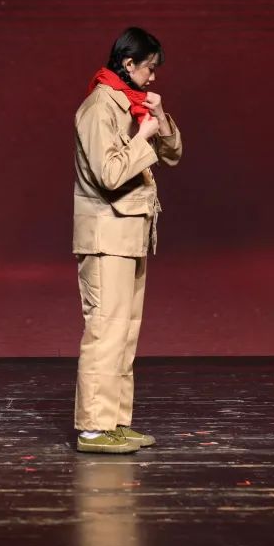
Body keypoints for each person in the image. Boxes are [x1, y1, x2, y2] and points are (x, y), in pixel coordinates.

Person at [72, 27, 182, 454]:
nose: (152, 77)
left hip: (129, 234)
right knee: (105, 330)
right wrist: (142, 137)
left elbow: (173, 155)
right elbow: (111, 173)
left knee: (125, 331)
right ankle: (93, 428)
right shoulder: (99, 107)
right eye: (148, 68)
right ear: (128, 63)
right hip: (106, 235)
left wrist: (160, 118)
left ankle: (115, 421)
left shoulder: (130, 104)